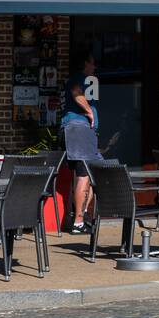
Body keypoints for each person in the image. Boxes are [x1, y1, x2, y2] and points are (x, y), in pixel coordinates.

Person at [61, 55, 100, 234]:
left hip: (84, 133)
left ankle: (80, 216)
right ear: (85, 63)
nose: (95, 66)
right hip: (79, 128)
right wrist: (89, 111)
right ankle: (77, 222)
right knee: (84, 175)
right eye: (93, 62)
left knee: (94, 174)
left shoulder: (88, 80)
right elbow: (76, 93)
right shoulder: (79, 78)